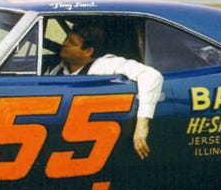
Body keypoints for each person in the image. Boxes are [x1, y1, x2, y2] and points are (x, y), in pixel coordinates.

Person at [46, 25, 163, 160]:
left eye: (71, 42)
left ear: (88, 51)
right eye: (66, 39)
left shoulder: (103, 65)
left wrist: (142, 125)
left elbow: (151, 75)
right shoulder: (57, 67)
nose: (64, 44)